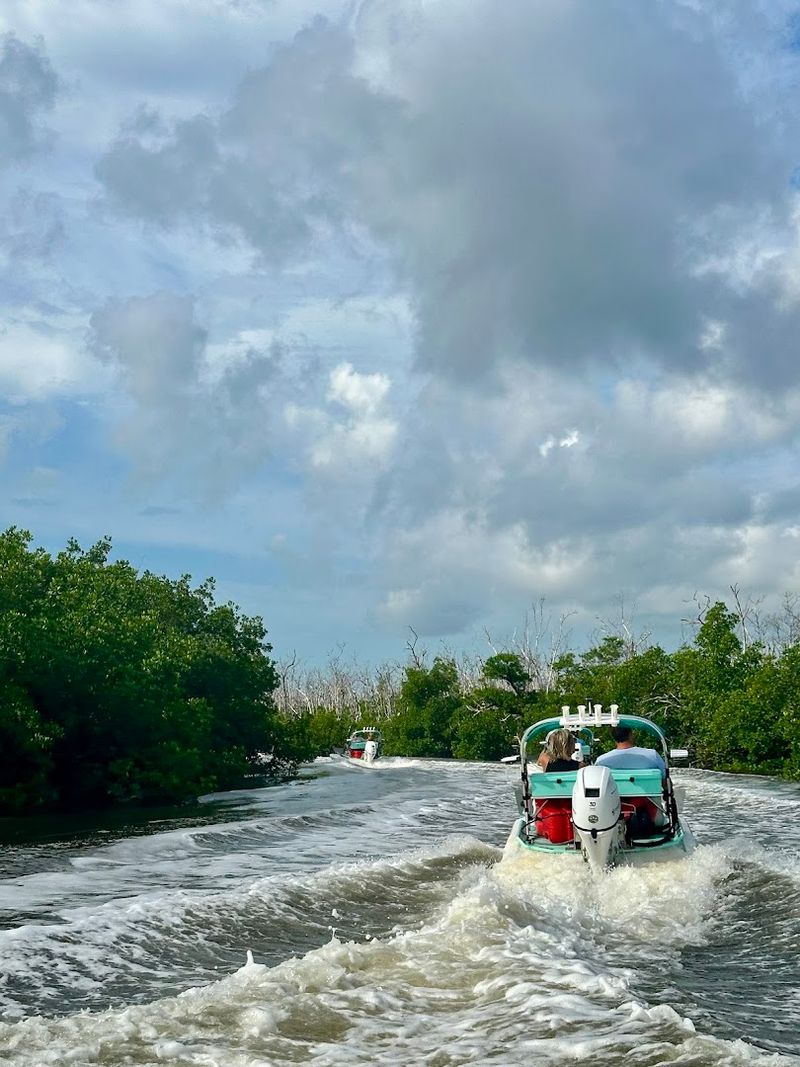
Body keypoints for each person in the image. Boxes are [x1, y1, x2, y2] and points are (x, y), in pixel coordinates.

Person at [595, 726, 666, 776]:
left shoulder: (601, 761)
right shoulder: (652, 755)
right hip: (650, 793)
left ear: (613, 737)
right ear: (630, 735)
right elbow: (665, 780)